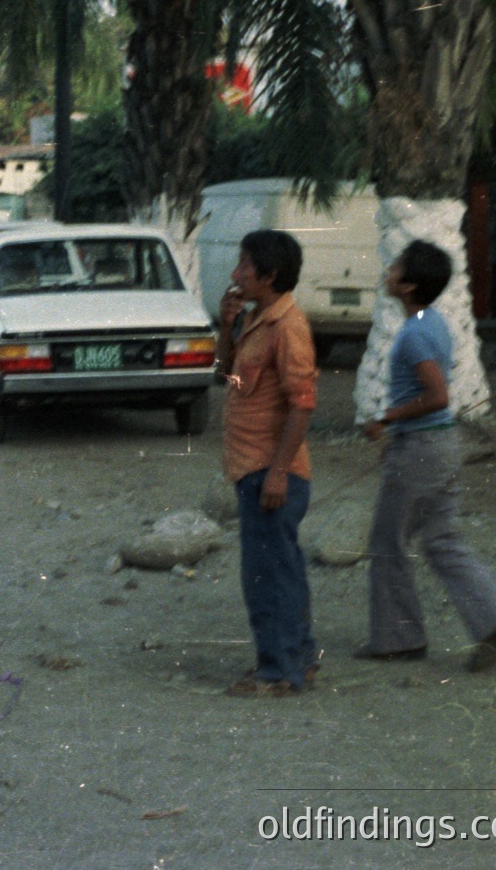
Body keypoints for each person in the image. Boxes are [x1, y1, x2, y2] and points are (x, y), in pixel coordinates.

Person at [357, 240, 496, 672]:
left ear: (408, 285)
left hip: (421, 449)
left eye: (396, 267)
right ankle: (494, 619)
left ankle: (398, 639)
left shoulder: (413, 335)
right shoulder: (435, 322)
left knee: (387, 542)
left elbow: (436, 396)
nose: (389, 271)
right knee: (440, 537)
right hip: (443, 447)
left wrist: (386, 418)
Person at [215, 229, 319, 697]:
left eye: (244, 265)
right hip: (252, 466)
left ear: (270, 275)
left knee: (265, 574)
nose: (236, 274)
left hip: (270, 470)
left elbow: (303, 403)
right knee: (282, 566)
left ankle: (278, 671)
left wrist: (277, 472)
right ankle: (298, 657)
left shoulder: (289, 327)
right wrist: (226, 327)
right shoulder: (258, 320)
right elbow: (230, 378)